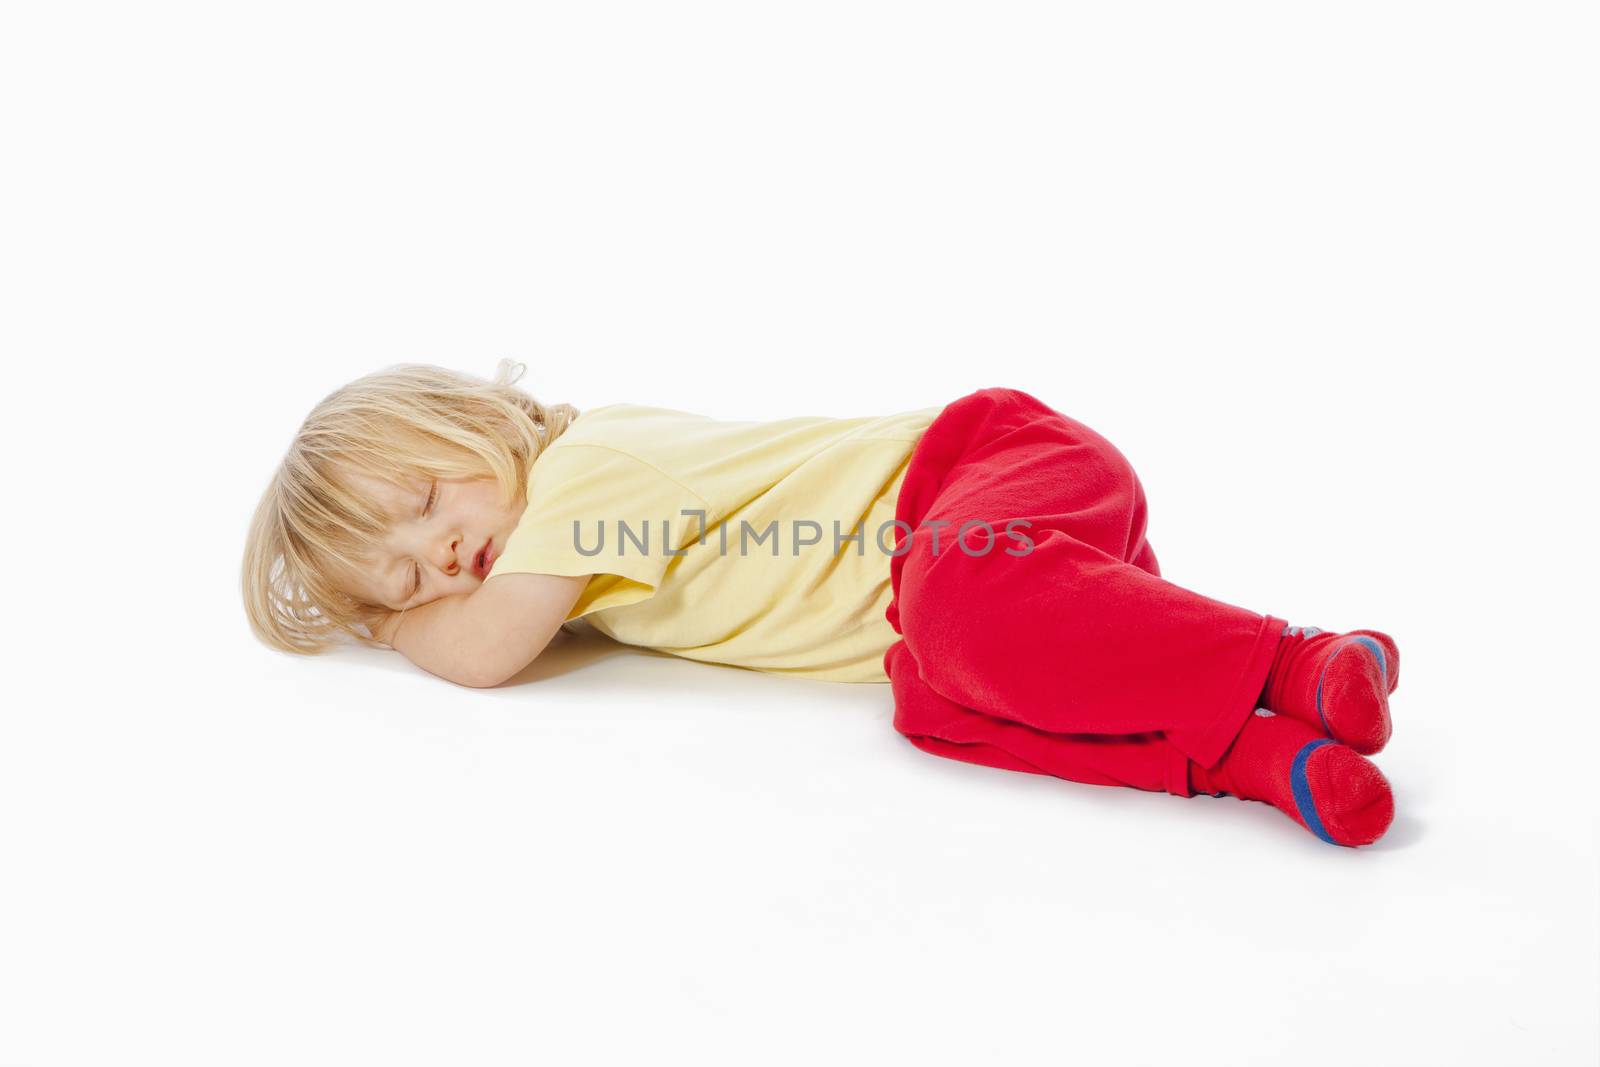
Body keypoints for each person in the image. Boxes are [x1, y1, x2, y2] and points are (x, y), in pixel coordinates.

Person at [242, 360, 1398, 847]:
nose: (442, 554)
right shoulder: (566, 572)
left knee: (958, 619)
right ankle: (1247, 754)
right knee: (935, 702)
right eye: (402, 573)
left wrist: (390, 625)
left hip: (979, 470)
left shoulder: (585, 470)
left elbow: (489, 652)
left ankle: (1292, 658)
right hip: (971, 587)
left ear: (481, 419)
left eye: (427, 495)